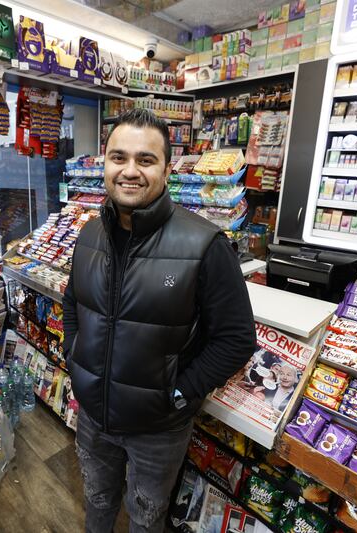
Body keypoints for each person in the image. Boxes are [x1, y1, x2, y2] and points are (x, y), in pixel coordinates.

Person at [62, 108, 257, 533]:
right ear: (105, 164)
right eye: (119, 157)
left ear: (167, 169)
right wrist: (75, 358)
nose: (130, 171)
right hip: (94, 415)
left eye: (145, 160)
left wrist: (180, 392)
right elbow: (72, 302)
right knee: (96, 502)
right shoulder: (90, 233)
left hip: (157, 429)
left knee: (146, 518)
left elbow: (237, 338)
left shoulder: (204, 244)